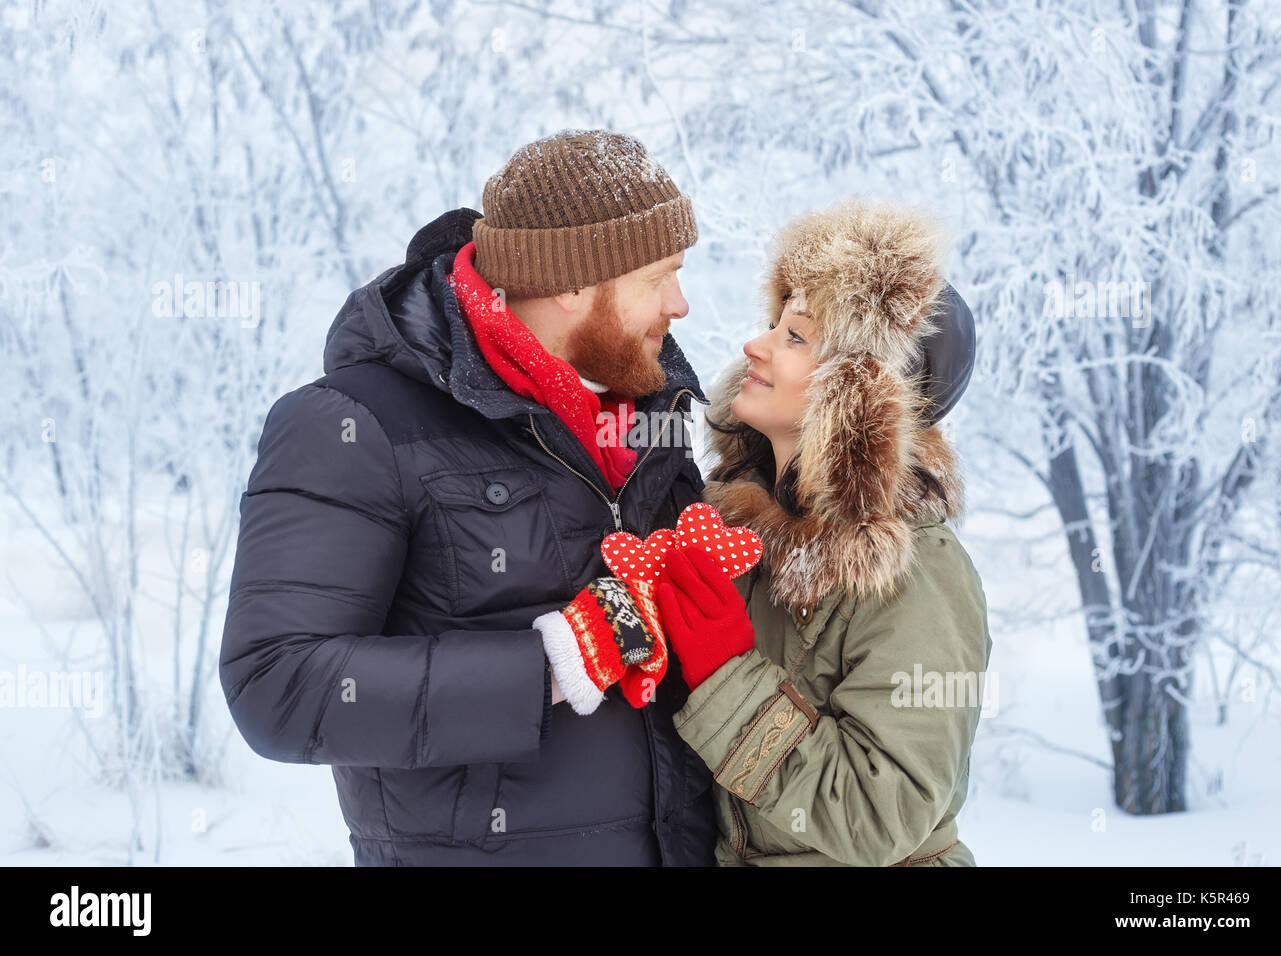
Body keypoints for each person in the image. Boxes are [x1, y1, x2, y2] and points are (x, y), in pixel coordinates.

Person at [218, 129, 718, 865]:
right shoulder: (356, 425)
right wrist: (547, 665)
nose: (681, 304)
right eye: (659, 276)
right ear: (573, 282)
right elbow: (278, 684)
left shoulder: (649, 412)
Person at [654, 196, 991, 866]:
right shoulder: (734, 532)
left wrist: (725, 675)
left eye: (796, 337)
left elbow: (881, 812)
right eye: (774, 324)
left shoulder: (917, 571)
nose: (756, 344)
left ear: (858, 393)